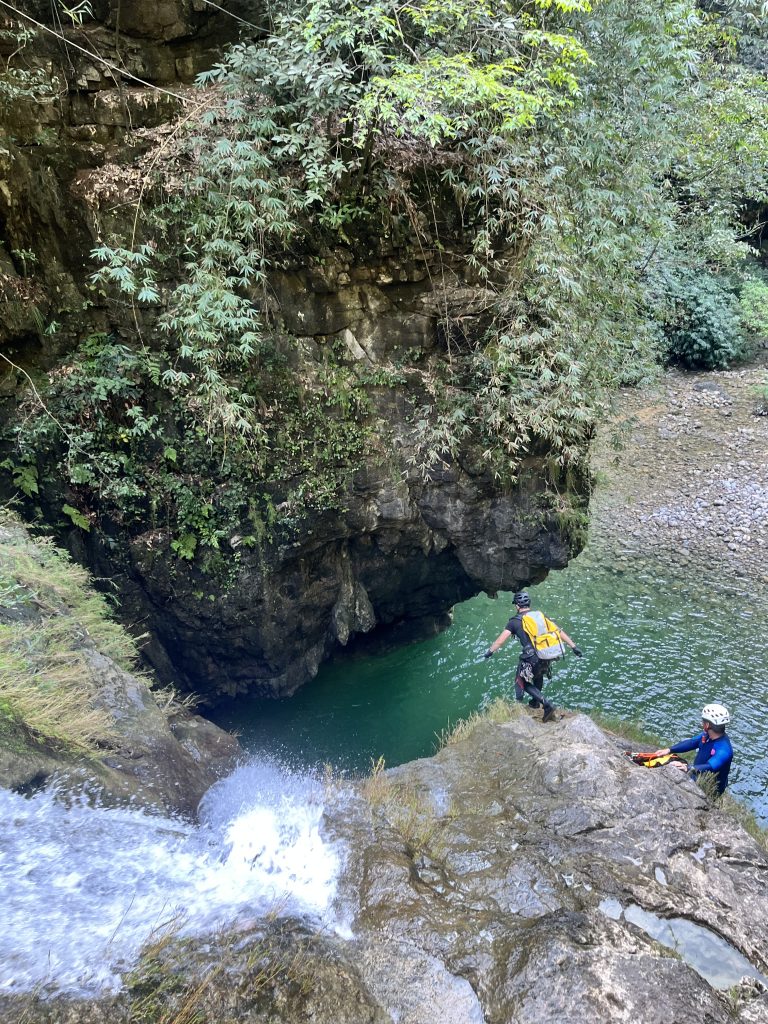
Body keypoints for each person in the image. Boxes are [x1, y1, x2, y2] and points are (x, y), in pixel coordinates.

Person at [483, 591, 582, 723]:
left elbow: (500, 641)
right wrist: (574, 647)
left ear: (517, 605)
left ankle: (547, 704)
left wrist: (489, 652)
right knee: (538, 675)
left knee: (521, 681)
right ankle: (535, 703)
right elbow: (558, 631)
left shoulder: (514, 621)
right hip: (547, 655)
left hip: (531, 657)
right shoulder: (540, 616)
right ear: (529, 604)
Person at [648, 703, 733, 794]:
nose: (701, 723)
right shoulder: (708, 735)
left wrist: (688, 768)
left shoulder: (724, 750)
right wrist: (669, 750)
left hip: (708, 787)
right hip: (696, 772)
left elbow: (710, 766)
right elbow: (692, 742)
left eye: (703, 721)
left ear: (707, 725)